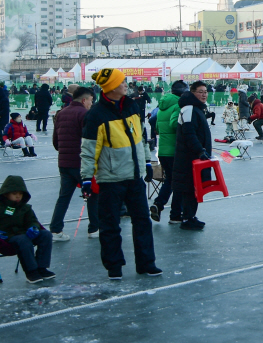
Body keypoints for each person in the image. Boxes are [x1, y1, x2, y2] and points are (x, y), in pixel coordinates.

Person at [80, 68, 160, 279]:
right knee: (110, 225)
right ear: (112, 87)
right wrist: (87, 178)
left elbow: (140, 137)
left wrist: (147, 163)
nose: (126, 84)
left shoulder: (132, 105)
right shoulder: (96, 114)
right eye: (122, 82)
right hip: (110, 179)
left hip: (134, 177)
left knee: (142, 221)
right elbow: (89, 150)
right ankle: (114, 266)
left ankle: (146, 263)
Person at [0, 175, 54, 283]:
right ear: (6, 194)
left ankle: (42, 267)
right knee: (23, 240)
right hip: (5, 238)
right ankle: (31, 271)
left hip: (24, 234)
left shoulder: (25, 208)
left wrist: (33, 227)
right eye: (14, 194)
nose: (18, 196)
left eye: (20, 194)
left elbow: (32, 220)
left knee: (46, 235)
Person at [50, 87, 98, 241]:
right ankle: (94, 228)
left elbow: (56, 142)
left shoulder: (61, 113)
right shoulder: (85, 114)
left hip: (64, 162)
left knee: (63, 197)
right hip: (82, 163)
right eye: (90, 100)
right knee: (92, 194)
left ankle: (56, 230)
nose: (91, 103)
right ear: (84, 100)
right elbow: (90, 141)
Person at [171, 81, 212, 230]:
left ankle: (190, 216)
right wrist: (199, 150)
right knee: (189, 188)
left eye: (205, 91)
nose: (204, 94)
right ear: (192, 93)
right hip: (189, 158)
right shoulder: (188, 109)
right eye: (200, 91)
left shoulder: (196, 109)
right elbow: (189, 133)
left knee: (194, 188)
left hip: (196, 156)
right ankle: (187, 218)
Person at [150, 80, 188, 225]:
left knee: (170, 180)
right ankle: (175, 214)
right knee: (179, 182)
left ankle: (159, 204)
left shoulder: (162, 106)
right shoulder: (178, 105)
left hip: (163, 150)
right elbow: (174, 124)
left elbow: (156, 126)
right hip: (175, 150)